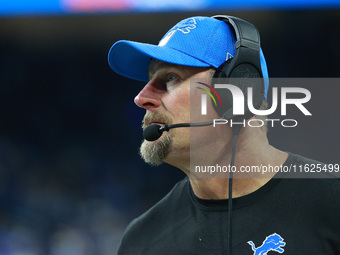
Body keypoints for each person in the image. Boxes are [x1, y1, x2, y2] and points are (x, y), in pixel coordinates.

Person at [108, 15, 340, 255]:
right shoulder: (141, 241)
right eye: (149, 79)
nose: (140, 98)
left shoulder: (332, 205)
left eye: (171, 77)